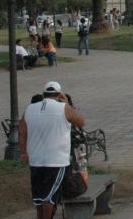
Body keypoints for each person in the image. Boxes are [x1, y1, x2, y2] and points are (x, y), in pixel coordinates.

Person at [18, 81, 85, 219]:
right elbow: (81, 121)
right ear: (59, 94)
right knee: (49, 198)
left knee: (39, 198)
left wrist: (23, 151)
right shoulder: (64, 108)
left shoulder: (30, 109)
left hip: (35, 160)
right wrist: (67, 103)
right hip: (55, 161)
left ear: (43, 94)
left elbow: (21, 130)